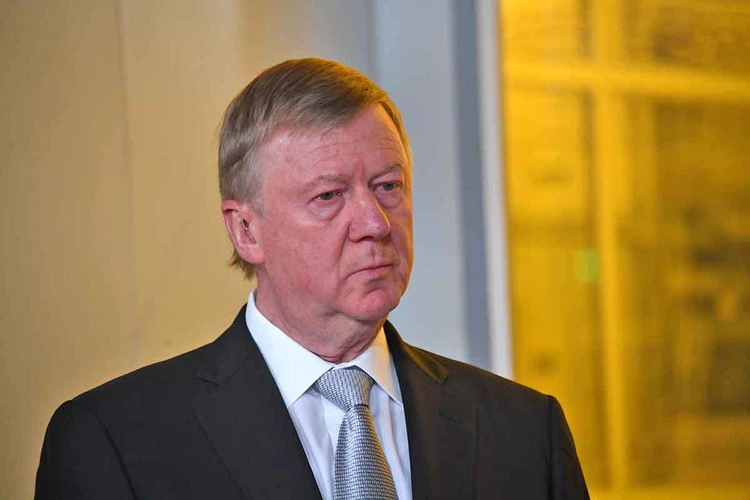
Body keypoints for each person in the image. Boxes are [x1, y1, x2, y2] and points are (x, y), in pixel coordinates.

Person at [35, 58, 589, 499]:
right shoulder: (111, 441)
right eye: (328, 196)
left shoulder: (524, 431)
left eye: (388, 186)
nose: (375, 223)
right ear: (247, 231)